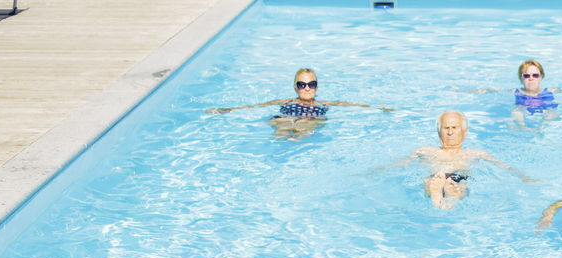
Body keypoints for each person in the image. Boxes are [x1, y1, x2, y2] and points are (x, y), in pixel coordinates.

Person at [394, 111, 538, 208]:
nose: (450, 132)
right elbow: (398, 164)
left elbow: (505, 167)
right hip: (435, 177)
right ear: (439, 131)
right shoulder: (425, 151)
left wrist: (525, 178)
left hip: (459, 176)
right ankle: (436, 194)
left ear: (465, 131)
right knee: (429, 181)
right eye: (446, 128)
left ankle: (449, 197)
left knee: (460, 184)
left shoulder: (475, 154)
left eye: (454, 127)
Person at [207, 68, 391, 140]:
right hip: (286, 117)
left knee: (304, 124)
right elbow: (258, 106)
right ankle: (283, 141)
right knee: (282, 126)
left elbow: (352, 105)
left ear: (317, 87)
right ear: (296, 88)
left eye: (311, 84)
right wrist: (229, 109)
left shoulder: (324, 103)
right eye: (302, 85)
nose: (307, 88)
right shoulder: (286, 101)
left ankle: (296, 137)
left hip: (311, 120)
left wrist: (379, 108)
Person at [512, 59, 558, 125]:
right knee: (517, 110)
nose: (531, 78)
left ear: (541, 76)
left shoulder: (550, 91)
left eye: (535, 75)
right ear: (521, 78)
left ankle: (541, 129)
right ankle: (522, 127)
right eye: (526, 76)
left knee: (552, 112)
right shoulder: (516, 91)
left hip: (546, 110)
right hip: (523, 108)